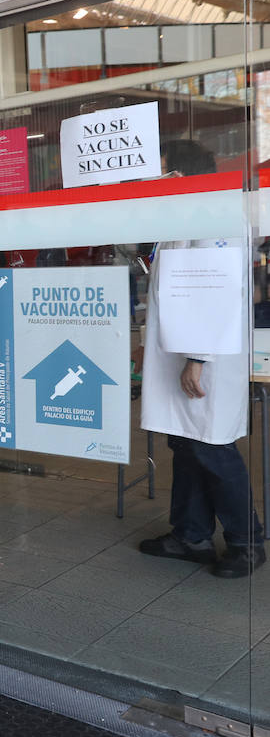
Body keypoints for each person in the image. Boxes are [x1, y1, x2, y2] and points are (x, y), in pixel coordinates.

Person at [138, 140, 265, 577]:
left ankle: (247, 542)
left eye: (162, 170)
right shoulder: (187, 211)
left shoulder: (215, 212)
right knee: (186, 445)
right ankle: (189, 536)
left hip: (203, 355)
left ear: (179, 173)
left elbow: (217, 287)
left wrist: (198, 356)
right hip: (183, 352)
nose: (155, 177)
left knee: (212, 447)